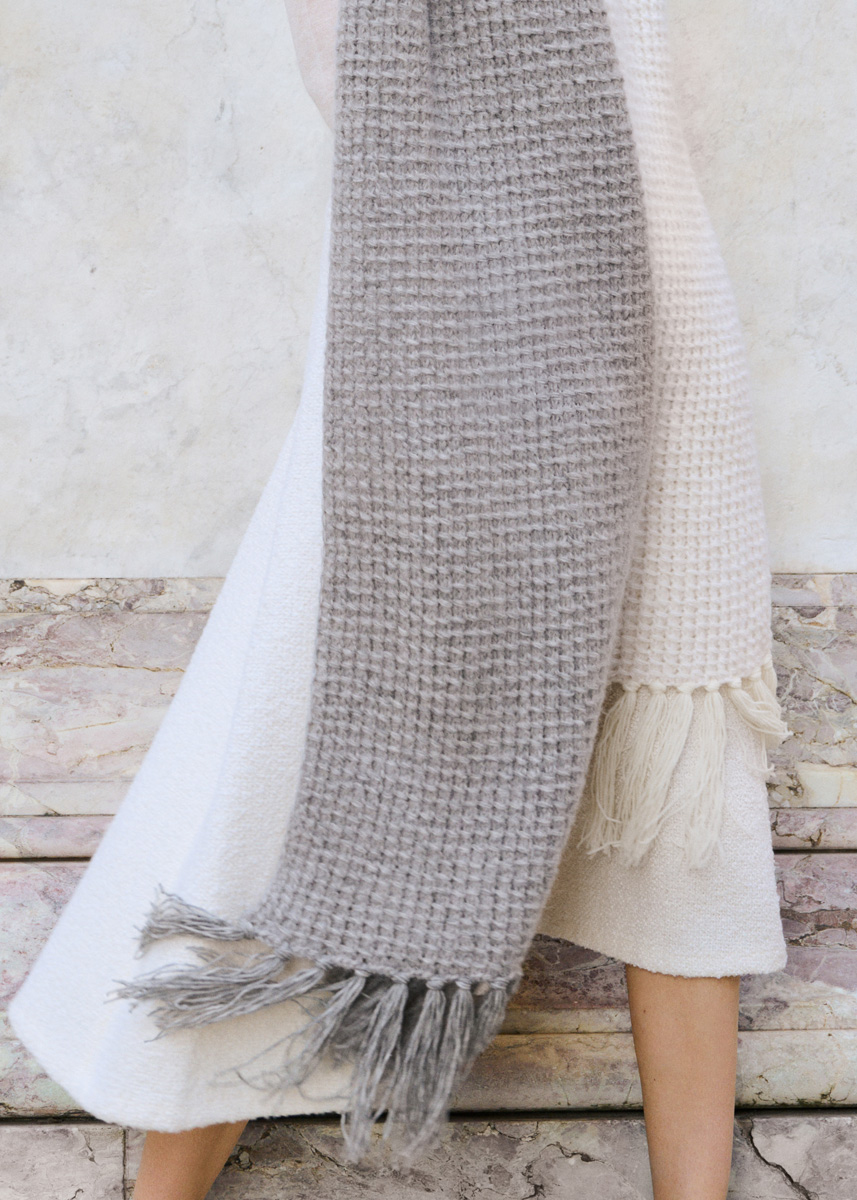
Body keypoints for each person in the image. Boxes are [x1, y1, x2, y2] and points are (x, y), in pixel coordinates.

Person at [8, 1, 789, 1197]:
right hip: (419, 369)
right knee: (297, 780)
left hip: (654, 344)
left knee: (678, 803)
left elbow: (663, 115)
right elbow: (358, 98)